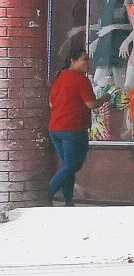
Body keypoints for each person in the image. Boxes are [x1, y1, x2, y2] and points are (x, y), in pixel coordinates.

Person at [48, 47, 97, 207]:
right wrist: (105, 98)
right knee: (73, 165)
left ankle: (68, 201)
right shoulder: (81, 79)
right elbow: (91, 104)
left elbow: (50, 102)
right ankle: (47, 192)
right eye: (85, 59)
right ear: (73, 61)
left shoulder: (59, 77)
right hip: (73, 128)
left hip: (55, 128)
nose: (88, 62)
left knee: (67, 165)